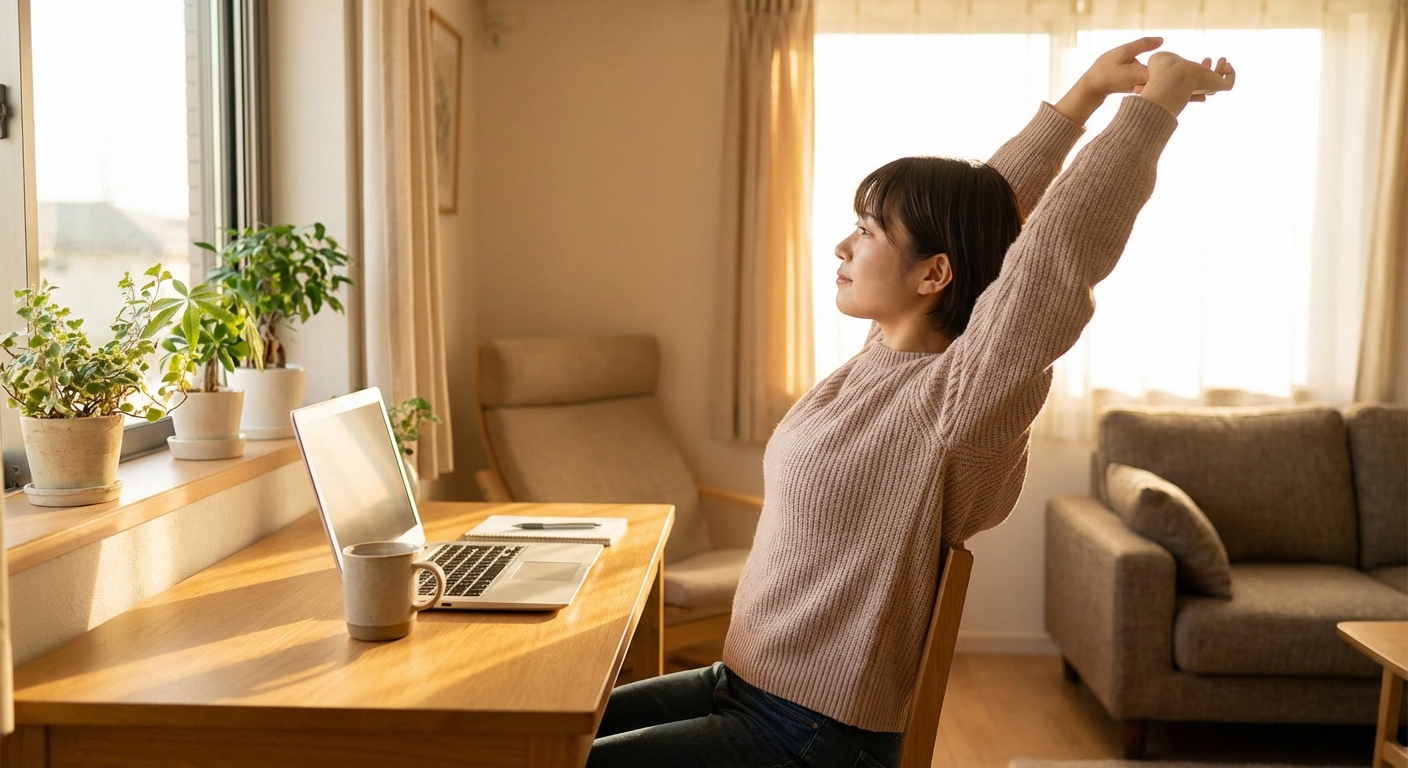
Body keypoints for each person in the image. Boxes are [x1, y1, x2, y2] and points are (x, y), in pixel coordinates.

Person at [587, 40, 1236, 768]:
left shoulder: (955, 400)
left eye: (865, 232)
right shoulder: (884, 356)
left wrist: (1154, 110)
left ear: (932, 275)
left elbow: (1056, 253)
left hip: (810, 731)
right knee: (541, 723)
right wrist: (1081, 95)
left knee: (543, 751)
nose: (841, 246)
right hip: (743, 683)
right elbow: (976, 212)